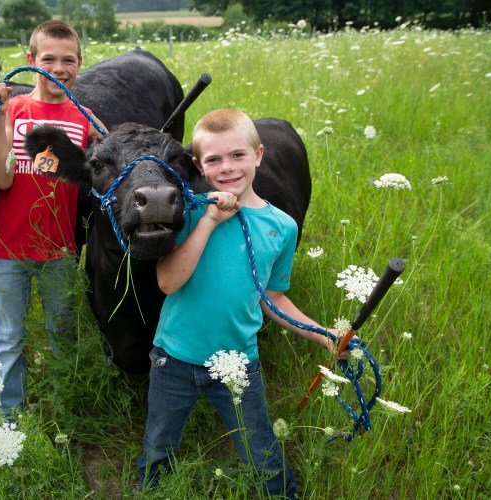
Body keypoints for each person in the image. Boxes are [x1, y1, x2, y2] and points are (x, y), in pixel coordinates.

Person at [137, 109, 343, 497]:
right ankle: (153, 490)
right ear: (198, 164)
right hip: (174, 359)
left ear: (259, 155)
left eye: (238, 155)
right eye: (213, 159)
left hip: (238, 364)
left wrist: (320, 333)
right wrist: (210, 221)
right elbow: (167, 282)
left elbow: (275, 297)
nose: (227, 167)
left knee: (260, 449)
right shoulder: (188, 209)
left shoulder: (281, 227)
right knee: (159, 443)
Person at [0, 20, 106, 420]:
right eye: (48, 59)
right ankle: (10, 420)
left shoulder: (85, 118)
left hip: (59, 251)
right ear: (30, 61)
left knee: (62, 335)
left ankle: (65, 408)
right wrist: (1, 116)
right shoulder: (14, 110)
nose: (59, 68)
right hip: (5, 251)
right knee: (10, 339)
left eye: (68, 60)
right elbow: (2, 179)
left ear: (79, 63)